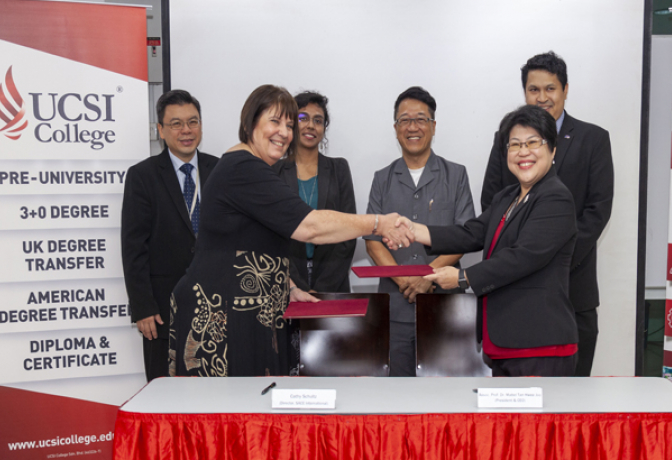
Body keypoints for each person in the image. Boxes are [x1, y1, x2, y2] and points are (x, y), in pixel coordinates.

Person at [168, 85, 412, 377]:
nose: (284, 132)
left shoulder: (253, 168)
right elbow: (310, 227)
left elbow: (253, 245)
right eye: (275, 121)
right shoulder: (243, 168)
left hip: (246, 310)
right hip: (222, 316)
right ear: (250, 123)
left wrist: (290, 287)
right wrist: (378, 223)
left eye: (288, 124)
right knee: (229, 413)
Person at [402, 105, 578, 377]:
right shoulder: (507, 197)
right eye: (515, 144)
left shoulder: (556, 197)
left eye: (533, 142)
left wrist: (462, 277)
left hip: (540, 345)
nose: (523, 152)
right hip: (504, 342)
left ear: (552, 150)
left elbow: (523, 257)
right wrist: (412, 230)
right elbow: (470, 233)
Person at [480, 51, 614, 376]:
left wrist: (555, 260)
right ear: (524, 92)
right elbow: (492, 203)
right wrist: (521, 263)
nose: (542, 98)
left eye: (550, 89)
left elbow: (597, 211)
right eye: (533, 89)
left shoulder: (593, 138)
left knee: (572, 401)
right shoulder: (508, 139)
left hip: (574, 287)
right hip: (514, 296)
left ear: (565, 89)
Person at [365, 86, 475, 377]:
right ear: (396, 128)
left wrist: (427, 276)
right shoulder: (382, 179)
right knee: (397, 393)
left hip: (446, 307)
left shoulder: (457, 175)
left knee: (449, 396)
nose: (412, 127)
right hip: (394, 305)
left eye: (421, 119)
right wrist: (405, 280)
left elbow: (465, 236)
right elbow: (373, 243)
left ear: (433, 126)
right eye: (405, 120)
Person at [121, 89, 218, 381]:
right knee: (165, 397)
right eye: (176, 124)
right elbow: (133, 247)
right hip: (163, 311)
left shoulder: (222, 170)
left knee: (218, 399)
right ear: (161, 130)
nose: (186, 130)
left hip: (217, 307)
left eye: (193, 121)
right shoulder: (143, 176)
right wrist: (143, 308)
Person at [273, 91, 355, 293]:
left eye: (318, 120)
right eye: (303, 118)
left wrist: (322, 288)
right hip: (287, 286)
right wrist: (297, 286)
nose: (310, 125)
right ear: (291, 123)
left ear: (324, 128)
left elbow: (349, 233)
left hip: (333, 285)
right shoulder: (274, 171)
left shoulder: (339, 169)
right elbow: (272, 237)